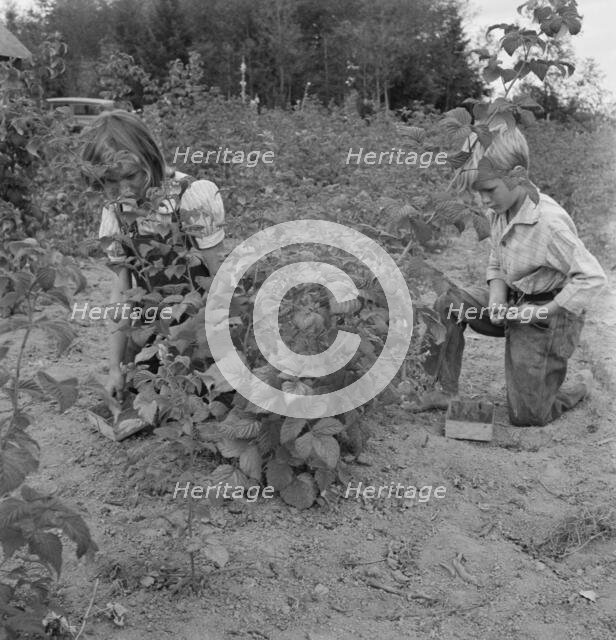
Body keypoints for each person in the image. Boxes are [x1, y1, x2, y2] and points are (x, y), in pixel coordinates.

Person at [415, 119, 607, 426]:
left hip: (549, 317)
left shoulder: (548, 223)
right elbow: (497, 259)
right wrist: (496, 299)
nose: (485, 201)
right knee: (448, 303)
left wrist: (543, 312)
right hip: (515, 302)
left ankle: (577, 386)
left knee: (528, 415)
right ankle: (440, 388)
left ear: (518, 176)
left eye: (489, 190)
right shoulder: (500, 211)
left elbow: (592, 277)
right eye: (479, 194)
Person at [82, 110, 225, 402]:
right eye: (109, 180)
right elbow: (121, 293)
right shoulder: (115, 213)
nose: (123, 189)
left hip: (198, 330)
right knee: (145, 395)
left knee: (203, 396)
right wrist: (114, 368)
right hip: (151, 332)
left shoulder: (192, 196)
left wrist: (190, 335)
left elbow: (218, 282)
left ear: (150, 157)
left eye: (131, 175)